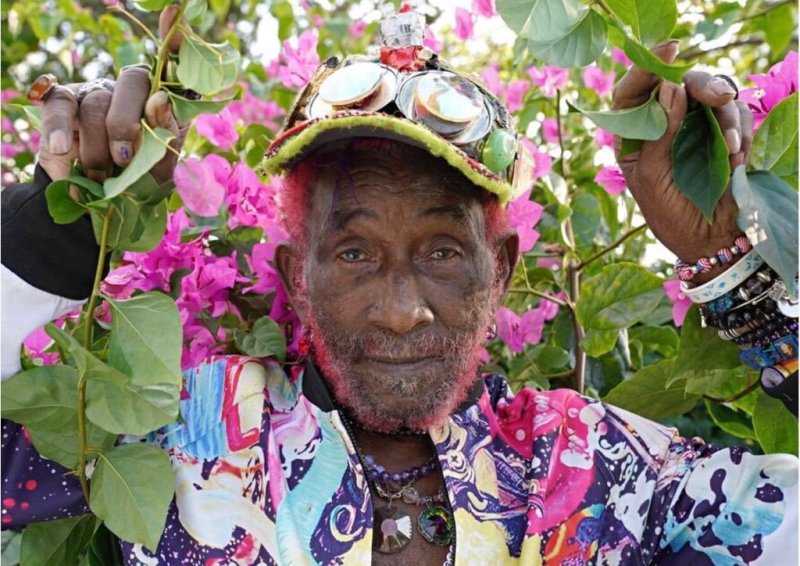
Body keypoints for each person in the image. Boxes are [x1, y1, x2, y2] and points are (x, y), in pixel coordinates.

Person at [2, 10, 797, 566]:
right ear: (294, 277)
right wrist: (47, 237)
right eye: (353, 254)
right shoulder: (188, 433)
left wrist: (732, 264)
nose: (402, 306)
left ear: (504, 272)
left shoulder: (596, 466)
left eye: (444, 250)